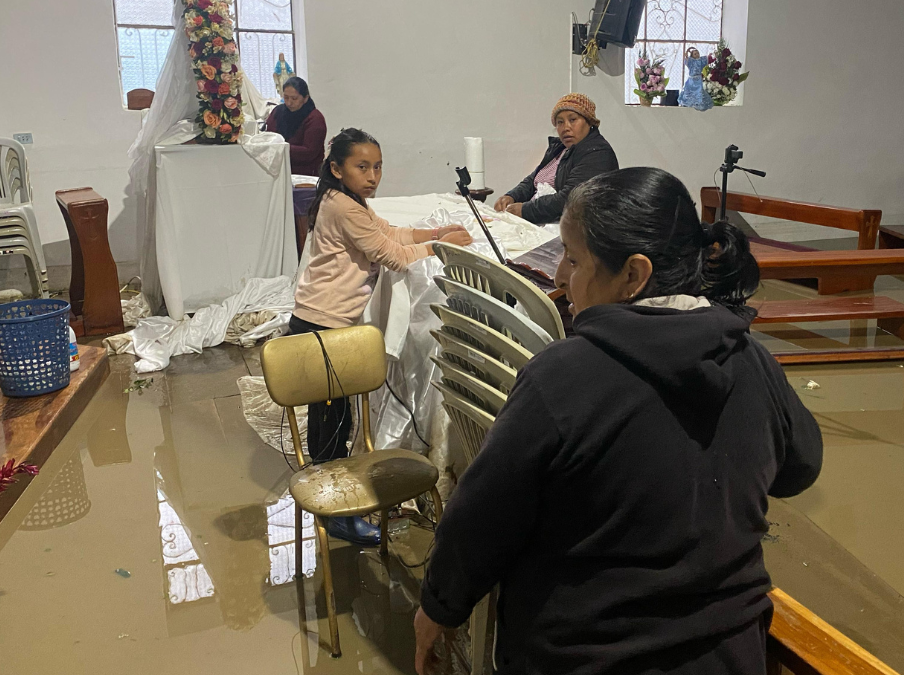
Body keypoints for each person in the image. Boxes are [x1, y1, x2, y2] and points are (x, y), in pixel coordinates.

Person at [415, 167, 823, 674]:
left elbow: (483, 518)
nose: (559, 276)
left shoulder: (564, 376)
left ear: (633, 275)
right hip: (726, 654)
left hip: (585, 655)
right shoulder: (750, 359)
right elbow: (800, 468)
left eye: (572, 258)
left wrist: (438, 608)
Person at [288, 128, 472, 544]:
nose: (373, 176)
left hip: (322, 320)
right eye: (362, 167)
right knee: (332, 424)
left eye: (378, 167)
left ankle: (333, 497)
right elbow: (394, 255)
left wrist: (433, 234)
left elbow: (389, 232)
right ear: (337, 168)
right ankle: (335, 511)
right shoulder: (344, 207)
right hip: (325, 324)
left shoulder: (347, 199)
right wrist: (441, 248)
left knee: (333, 417)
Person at [494, 93, 618, 225]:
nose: (566, 127)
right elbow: (534, 179)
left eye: (573, 120)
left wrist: (525, 210)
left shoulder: (597, 153)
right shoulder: (560, 149)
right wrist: (512, 196)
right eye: (560, 122)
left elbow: (571, 199)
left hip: (580, 229)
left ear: (589, 122)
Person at [265, 76, 328, 176]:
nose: (289, 103)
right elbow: (268, 137)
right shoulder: (278, 112)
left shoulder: (315, 119)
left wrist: (281, 147)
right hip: (278, 170)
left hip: (306, 174)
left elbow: (309, 152)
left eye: (294, 98)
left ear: (305, 98)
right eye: (286, 97)